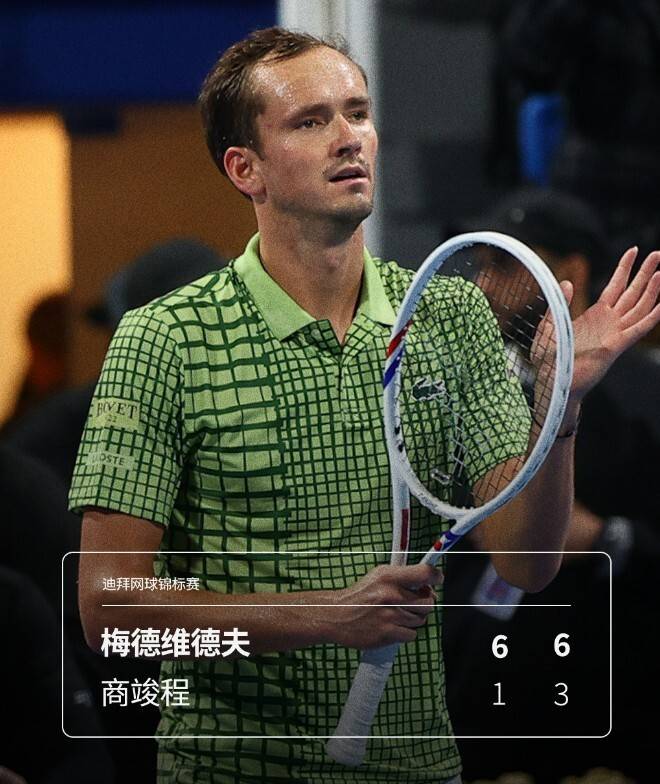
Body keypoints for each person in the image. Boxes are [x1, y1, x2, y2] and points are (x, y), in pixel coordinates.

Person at [69, 27, 660, 784]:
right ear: (245, 168)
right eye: (310, 121)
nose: (349, 137)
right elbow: (110, 611)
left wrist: (561, 404)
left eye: (357, 112)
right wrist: (325, 615)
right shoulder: (165, 339)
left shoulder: (451, 315)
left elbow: (527, 562)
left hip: (422, 768)